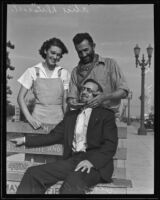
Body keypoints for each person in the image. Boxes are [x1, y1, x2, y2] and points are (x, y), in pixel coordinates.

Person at [11, 79, 118, 194]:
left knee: (72, 183)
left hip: (94, 165)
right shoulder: (71, 116)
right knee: (33, 173)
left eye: (89, 90)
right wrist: (25, 140)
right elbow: (53, 136)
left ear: (97, 95)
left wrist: (91, 162)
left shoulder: (106, 115)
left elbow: (110, 145)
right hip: (73, 161)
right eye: (83, 89)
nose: (84, 92)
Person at [67, 32, 129, 115]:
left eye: (86, 50)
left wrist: (104, 97)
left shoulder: (110, 64)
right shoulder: (75, 72)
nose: (83, 54)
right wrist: (72, 102)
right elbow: (72, 98)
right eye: (79, 52)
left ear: (93, 46)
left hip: (109, 116)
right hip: (85, 118)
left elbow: (124, 92)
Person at [17, 37, 70, 130]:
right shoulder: (32, 71)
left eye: (58, 55)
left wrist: (67, 121)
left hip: (59, 121)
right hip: (37, 122)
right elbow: (20, 98)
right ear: (45, 51)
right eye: (52, 53)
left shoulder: (64, 73)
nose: (55, 57)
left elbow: (65, 101)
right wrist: (30, 118)